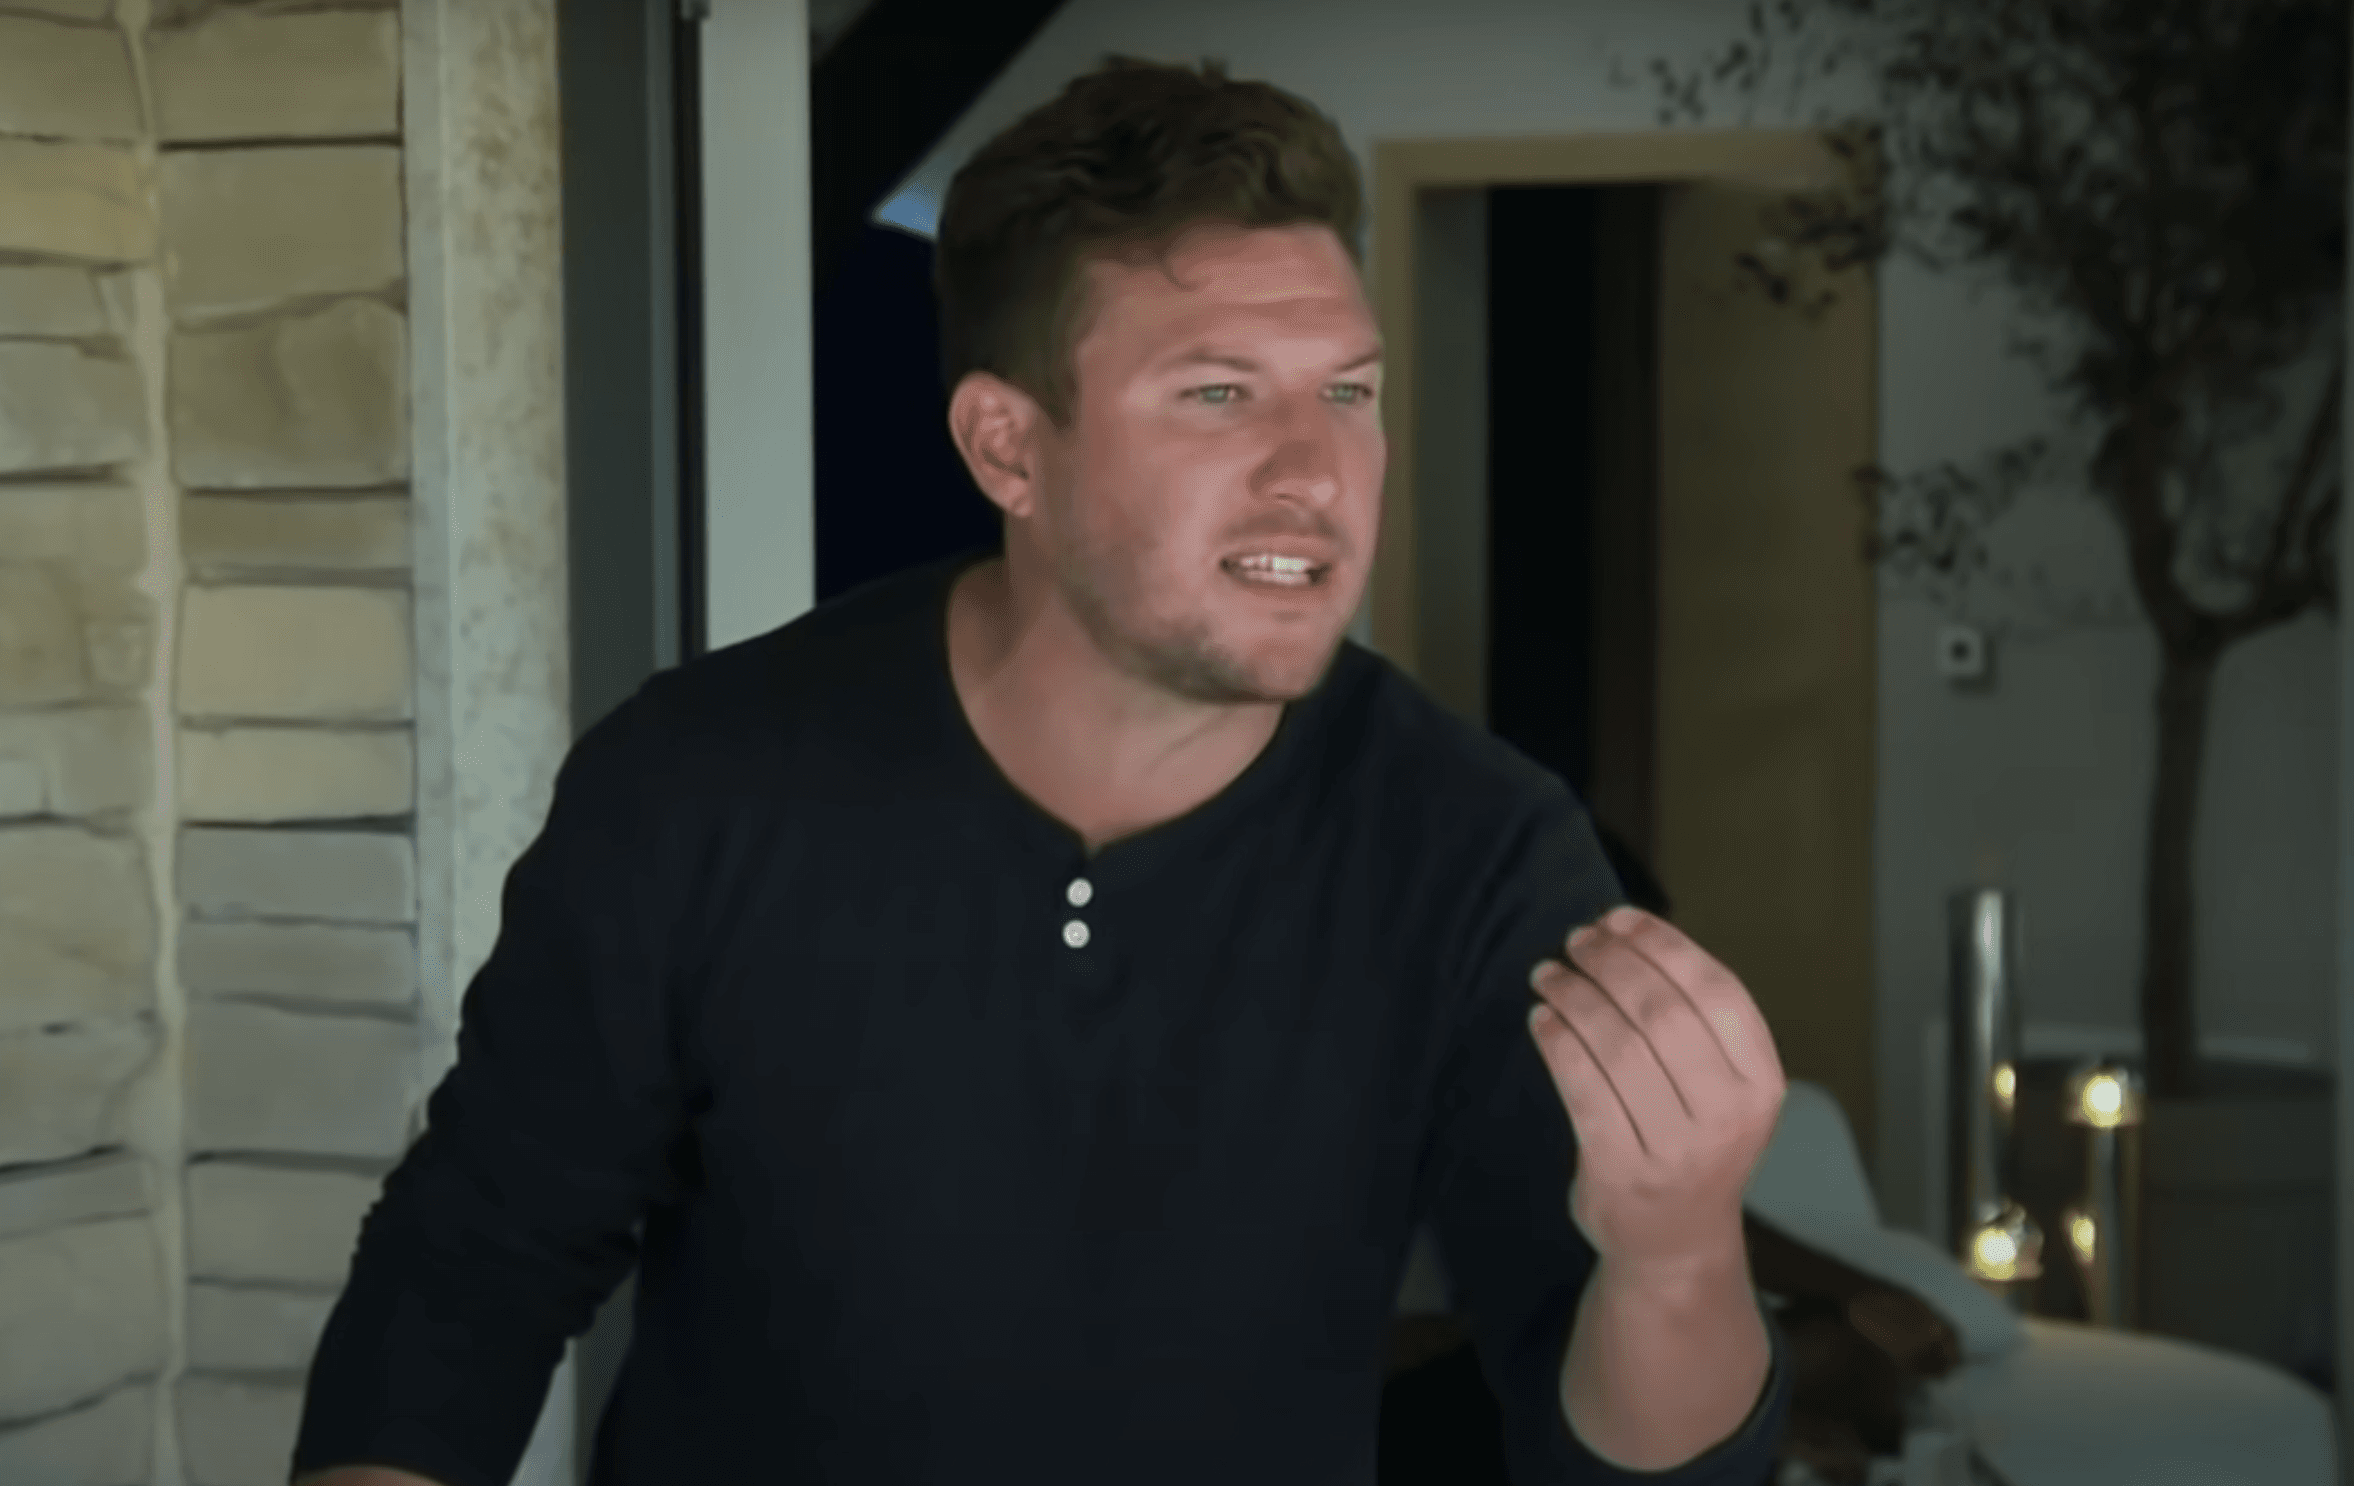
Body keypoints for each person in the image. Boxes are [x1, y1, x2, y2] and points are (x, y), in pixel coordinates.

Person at [292, 56, 1792, 1486]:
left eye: (1347, 392)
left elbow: (1642, 1463)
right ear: (1007, 446)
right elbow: (471, 1266)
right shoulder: (698, 783)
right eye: (1218, 394)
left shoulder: (1479, 854)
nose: (1316, 472)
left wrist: (1676, 1251)